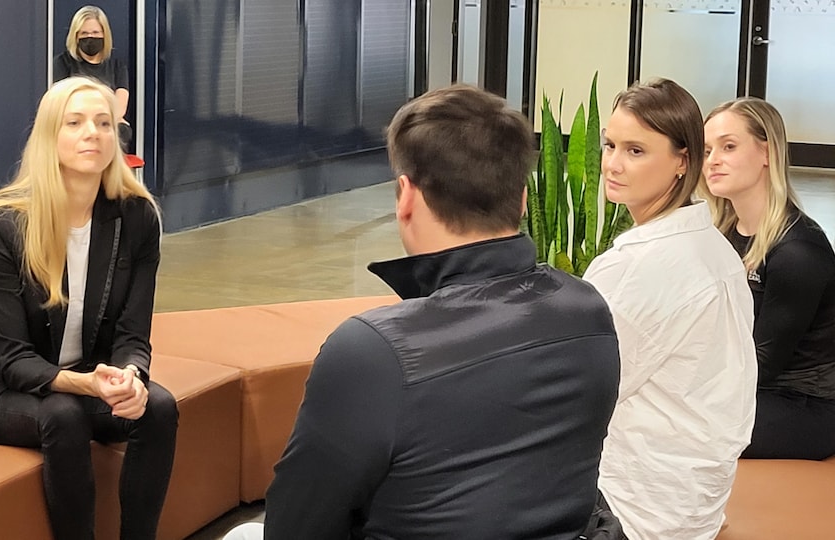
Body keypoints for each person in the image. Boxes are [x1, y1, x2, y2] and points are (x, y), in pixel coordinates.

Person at [225, 85, 622, 539]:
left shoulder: (373, 351)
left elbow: (297, 526)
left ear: (405, 195)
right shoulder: (589, 310)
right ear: (524, 199)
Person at [0, 77, 177, 540]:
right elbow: (14, 360)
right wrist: (87, 384)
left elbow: (133, 335)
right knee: (63, 413)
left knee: (157, 407)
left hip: (82, 376)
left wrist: (131, 377)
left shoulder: (137, 218)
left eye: (103, 123)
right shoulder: (3, 225)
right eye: (74, 122)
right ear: (48, 137)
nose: (92, 133)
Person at [582, 78, 758, 540]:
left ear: (682, 161)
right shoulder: (716, 248)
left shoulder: (634, 267)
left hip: (632, 507)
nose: (613, 165)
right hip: (696, 498)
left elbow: (581, 393)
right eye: (610, 145)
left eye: (636, 151)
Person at [701, 97, 835, 460]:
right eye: (707, 149)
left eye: (728, 146)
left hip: (805, 405)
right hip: (752, 389)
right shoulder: (724, 234)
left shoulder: (798, 251)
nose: (712, 160)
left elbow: (762, 362)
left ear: (767, 153)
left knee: (678, 424)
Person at [54, 5, 133, 151]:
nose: (90, 38)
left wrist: (104, 121)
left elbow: (120, 106)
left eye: (96, 33)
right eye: (84, 33)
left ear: (104, 35)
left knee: (122, 131)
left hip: (108, 125)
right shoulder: (62, 63)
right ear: (75, 36)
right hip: (75, 125)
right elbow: (61, 103)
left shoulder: (117, 66)